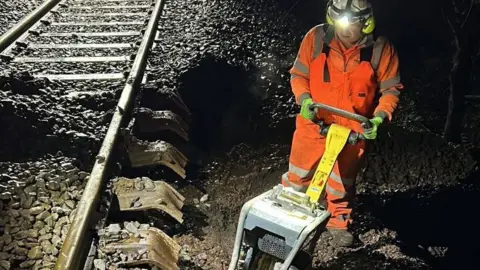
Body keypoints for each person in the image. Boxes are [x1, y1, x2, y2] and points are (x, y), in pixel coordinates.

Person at [281, 0, 403, 247]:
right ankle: (286, 216)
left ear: (366, 23)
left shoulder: (380, 49)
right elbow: (299, 74)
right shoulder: (316, 39)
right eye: (339, 22)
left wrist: (379, 118)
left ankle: (339, 222)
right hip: (315, 121)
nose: (344, 30)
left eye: (351, 24)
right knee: (298, 174)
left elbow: (391, 90)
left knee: (342, 180)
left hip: (353, 130)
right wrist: (304, 100)